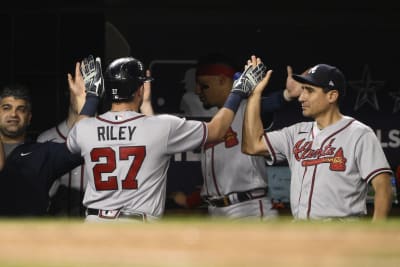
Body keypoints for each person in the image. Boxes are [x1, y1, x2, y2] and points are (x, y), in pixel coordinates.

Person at [66, 55, 265, 222]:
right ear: (140, 90)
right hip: (137, 227)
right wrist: (238, 92)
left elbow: (79, 129)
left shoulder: (84, 129)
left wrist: (91, 97)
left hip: (94, 226)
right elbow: (216, 130)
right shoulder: (162, 126)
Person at [242, 61, 393, 221]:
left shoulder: (359, 134)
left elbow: (383, 186)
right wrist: (255, 94)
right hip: (301, 233)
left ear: (332, 96)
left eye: (309, 91)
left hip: (342, 233)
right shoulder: (295, 133)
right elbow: (252, 146)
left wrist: (375, 232)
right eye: (302, 90)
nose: (301, 97)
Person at [170, 53, 302, 220]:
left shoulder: (247, 108)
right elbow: (220, 181)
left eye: (204, 86)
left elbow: (268, 103)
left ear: (222, 80)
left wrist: (286, 95)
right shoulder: (215, 125)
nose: (197, 91)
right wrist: (191, 200)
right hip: (216, 211)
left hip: (248, 209)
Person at [37, 68, 154, 217]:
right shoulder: (47, 138)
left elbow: (151, 141)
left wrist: (145, 105)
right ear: (69, 93)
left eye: (93, 91)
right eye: (82, 90)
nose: (87, 96)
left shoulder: (119, 133)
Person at [0, 56, 99, 216]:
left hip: (28, 238)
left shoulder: (41, 153)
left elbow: (77, 145)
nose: (13, 114)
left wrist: (88, 102)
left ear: (29, 117)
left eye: (21, 109)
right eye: (6, 107)